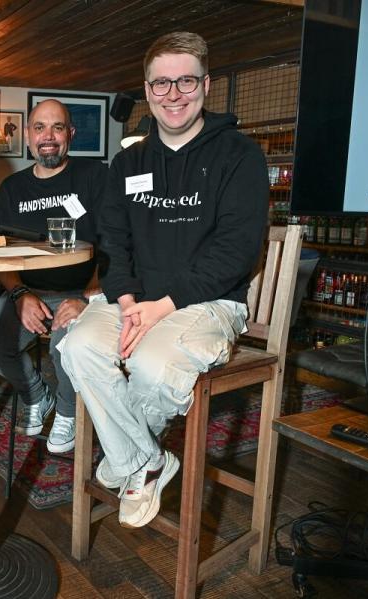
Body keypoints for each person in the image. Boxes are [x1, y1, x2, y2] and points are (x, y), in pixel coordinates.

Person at [60, 32, 268, 528]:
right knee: (78, 345)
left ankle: (125, 458)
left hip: (209, 303)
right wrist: (130, 301)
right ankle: (146, 460)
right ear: (148, 90)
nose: (173, 94)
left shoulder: (240, 156)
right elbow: (113, 239)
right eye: (161, 83)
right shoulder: (129, 161)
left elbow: (235, 252)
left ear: (206, 85)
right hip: (136, 300)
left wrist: (161, 308)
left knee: (153, 365)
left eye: (186, 81)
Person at [0, 99, 107, 454]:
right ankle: (38, 396)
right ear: (27, 135)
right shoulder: (12, 188)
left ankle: (68, 414)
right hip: (31, 292)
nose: (48, 137)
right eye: (40, 128)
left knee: (63, 344)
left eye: (57, 128)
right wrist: (20, 294)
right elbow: (3, 257)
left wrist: (88, 297)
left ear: (70, 134)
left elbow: (115, 243)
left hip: (82, 291)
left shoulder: (94, 176)